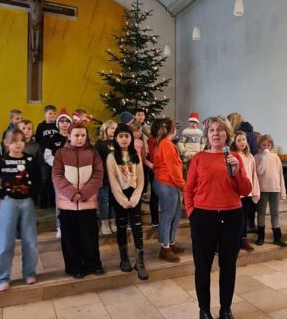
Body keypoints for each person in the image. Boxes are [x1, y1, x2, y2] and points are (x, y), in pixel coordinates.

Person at [184, 116, 253, 319]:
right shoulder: (198, 158)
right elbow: (188, 189)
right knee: (203, 267)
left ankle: (225, 309)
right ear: (207, 135)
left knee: (228, 266)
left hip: (231, 216)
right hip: (203, 217)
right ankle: (204, 310)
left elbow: (245, 189)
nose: (216, 133)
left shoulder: (235, 158)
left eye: (220, 130)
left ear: (227, 135)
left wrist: (237, 171)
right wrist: (192, 213)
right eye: (212, 130)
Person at [52, 123, 104, 279]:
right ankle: (74, 267)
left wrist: (85, 193)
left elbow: (98, 175)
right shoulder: (60, 153)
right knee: (70, 237)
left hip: (87, 202)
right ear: (69, 136)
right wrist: (71, 193)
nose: (80, 138)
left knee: (89, 236)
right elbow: (57, 175)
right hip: (67, 203)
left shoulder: (93, 153)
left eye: (83, 135)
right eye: (76, 135)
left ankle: (93, 264)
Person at [0, 129, 40, 291]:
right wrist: (2, 195)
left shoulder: (30, 160)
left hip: (26, 203)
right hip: (9, 203)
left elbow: (38, 179)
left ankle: (29, 272)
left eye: (21, 140)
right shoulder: (0, 160)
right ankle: (2, 277)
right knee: (5, 242)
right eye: (14, 141)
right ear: (6, 143)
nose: (18, 143)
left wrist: (32, 197)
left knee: (30, 241)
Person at [105, 123, 148, 280]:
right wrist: (123, 200)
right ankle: (124, 259)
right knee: (121, 226)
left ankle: (140, 262)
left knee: (137, 227)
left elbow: (141, 178)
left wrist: (135, 197)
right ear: (116, 138)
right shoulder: (111, 157)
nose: (124, 139)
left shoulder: (135, 155)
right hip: (120, 197)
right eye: (121, 136)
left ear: (131, 137)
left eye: (127, 136)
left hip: (134, 196)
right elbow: (113, 181)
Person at [152, 118, 185, 263]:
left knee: (176, 213)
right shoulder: (167, 144)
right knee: (168, 215)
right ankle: (164, 249)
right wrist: (183, 185)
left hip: (169, 183)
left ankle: (171, 243)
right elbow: (173, 169)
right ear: (174, 130)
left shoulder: (165, 143)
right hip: (166, 183)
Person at [43, 109, 73, 237]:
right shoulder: (53, 138)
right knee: (60, 199)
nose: (64, 124)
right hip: (59, 174)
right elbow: (47, 155)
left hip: (74, 174)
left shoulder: (74, 137)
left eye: (67, 121)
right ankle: (60, 225)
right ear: (58, 123)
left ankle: (72, 224)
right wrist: (59, 164)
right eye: (62, 121)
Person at [255, 134, 287, 247]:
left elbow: (280, 174)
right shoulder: (257, 157)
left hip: (275, 189)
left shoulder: (276, 157)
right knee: (261, 212)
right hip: (262, 189)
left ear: (271, 146)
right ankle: (260, 237)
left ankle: (277, 237)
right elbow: (259, 172)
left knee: (275, 212)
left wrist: (282, 190)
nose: (266, 147)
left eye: (268, 145)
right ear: (259, 145)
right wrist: (264, 157)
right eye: (264, 145)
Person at [231, 131, 260, 251]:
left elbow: (253, 174)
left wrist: (255, 190)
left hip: (248, 191)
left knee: (244, 217)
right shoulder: (232, 156)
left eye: (243, 139)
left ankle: (243, 240)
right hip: (237, 193)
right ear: (234, 142)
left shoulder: (250, 156)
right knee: (236, 218)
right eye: (239, 140)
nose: (242, 142)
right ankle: (235, 240)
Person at [95, 120, 117, 235]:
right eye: (111, 128)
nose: (113, 130)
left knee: (113, 200)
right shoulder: (99, 143)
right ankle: (104, 222)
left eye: (115, 128)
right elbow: (97, 162)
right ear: (105, 129)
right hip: (104, 177)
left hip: (115, 178)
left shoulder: (117, 142)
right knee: (104, 200)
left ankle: (113, 221)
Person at [35, 105, 59, 208]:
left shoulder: (57, 126)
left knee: (55, 178)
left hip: (56, 155)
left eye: (54, 113)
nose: (52, 115)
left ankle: (53, 201)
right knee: (45, 178)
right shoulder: (41, 126)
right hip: (44, 155)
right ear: (45, 115)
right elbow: (38, 139)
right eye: (50, 113)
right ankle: (43, 200)